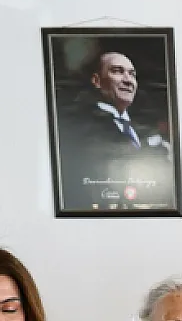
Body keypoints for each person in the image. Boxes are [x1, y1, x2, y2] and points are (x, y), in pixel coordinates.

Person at [56, 44, 175, 211]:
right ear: (97, 81)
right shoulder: (82, 124)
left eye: (132, 74)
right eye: (118, 71)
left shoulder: (139, 130)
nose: (128, 80)